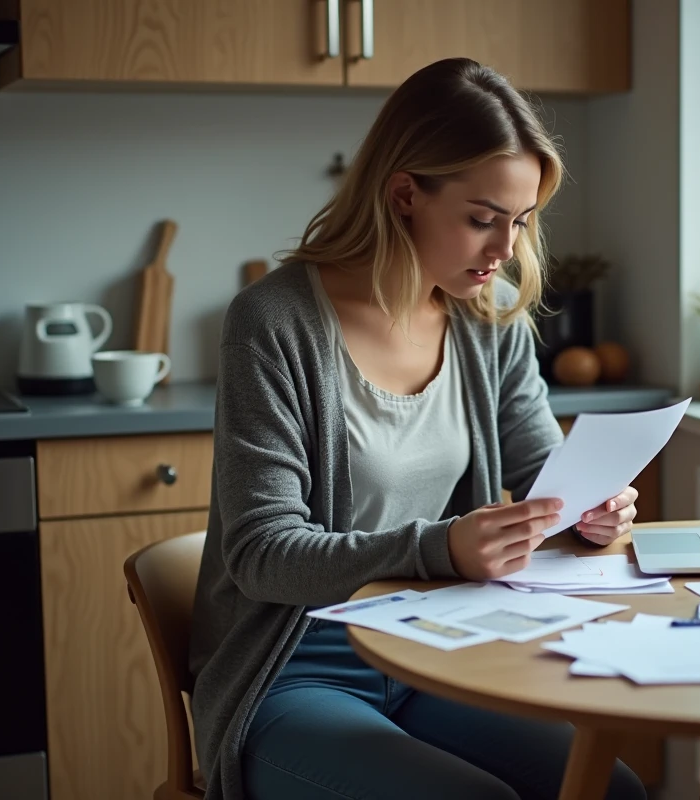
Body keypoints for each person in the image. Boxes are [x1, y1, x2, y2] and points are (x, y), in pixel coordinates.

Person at [188, 57, 648, 800]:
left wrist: (588, 507)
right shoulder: (274, 323)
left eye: (521, 222)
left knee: (612, 792)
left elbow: (540, 470)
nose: (504, 251)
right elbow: (261, 555)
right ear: (404, 194)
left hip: (436, 656)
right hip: (294, 671)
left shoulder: (486, 315)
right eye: (481, 220)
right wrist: (442, 546)